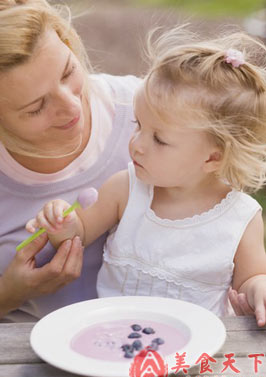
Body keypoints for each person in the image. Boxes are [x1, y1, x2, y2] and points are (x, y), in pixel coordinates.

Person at [27, 26, 266, 327]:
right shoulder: (127, 189)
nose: (137, 144)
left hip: (192, 353)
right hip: (116, 338)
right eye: (138, 124)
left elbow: (252, 277)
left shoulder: (240, 217)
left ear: (213, 157)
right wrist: (62, 223)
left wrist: (259, 288)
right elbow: (80, 233)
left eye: (159, 140)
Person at [0, 0, 141, 322]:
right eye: (36, 107)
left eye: (68, 71)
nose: (72, 107)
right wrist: (10, 292)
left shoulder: (147, 112)